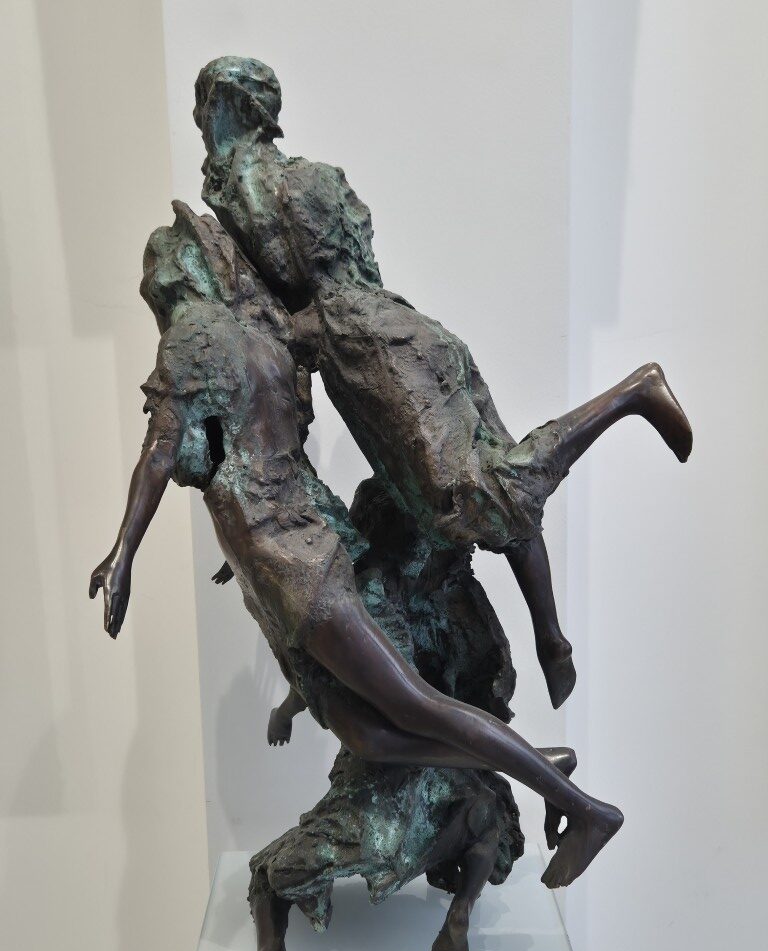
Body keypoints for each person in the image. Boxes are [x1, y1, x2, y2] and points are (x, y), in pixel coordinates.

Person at [90, 201, 625, 896]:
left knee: (414, 707)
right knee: (373, 733)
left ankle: (582, 807)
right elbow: (264, 452)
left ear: (167, 282)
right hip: (307, 550)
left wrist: (122, 553)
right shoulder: (262, 335)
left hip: (295, 572)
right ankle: (537, 765)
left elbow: (163, 449)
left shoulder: (192, 339)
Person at [192, 56, 693, 709]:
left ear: (235, 106)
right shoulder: (301, 181)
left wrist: (259, 475)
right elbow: (339, 286)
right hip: (402, 333)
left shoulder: (252, 189)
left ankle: (632, 395)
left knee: (476, 491)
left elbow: (288, 324)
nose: (198, 119)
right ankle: (551, 640)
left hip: (367, 352)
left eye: (205, 104)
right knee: (480, 476)